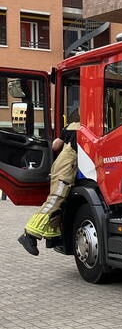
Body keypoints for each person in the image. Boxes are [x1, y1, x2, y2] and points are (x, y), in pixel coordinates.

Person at [17, 95, 81, 256]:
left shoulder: (70, 127)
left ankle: (53, 237)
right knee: (55, 201)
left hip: (59, 166)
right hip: (66, 171)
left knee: (60, 204)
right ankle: (29, 234)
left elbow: (55, 146)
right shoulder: (84, 129)